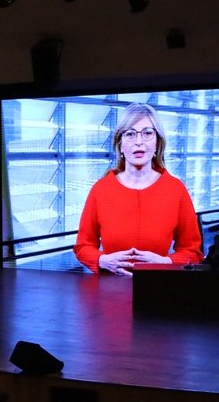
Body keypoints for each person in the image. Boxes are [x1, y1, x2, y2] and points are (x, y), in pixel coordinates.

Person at [74, 103, 204, 275]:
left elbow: (193, 252)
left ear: (157, 142)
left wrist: (166, 263)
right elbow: (83, 246)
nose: (139, 142)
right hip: (110, 287)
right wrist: (102, 260)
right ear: (120, 145)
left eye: (147, 133)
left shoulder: (176, 190)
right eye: (130, 134)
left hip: (158, 285)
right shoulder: (100, 190)